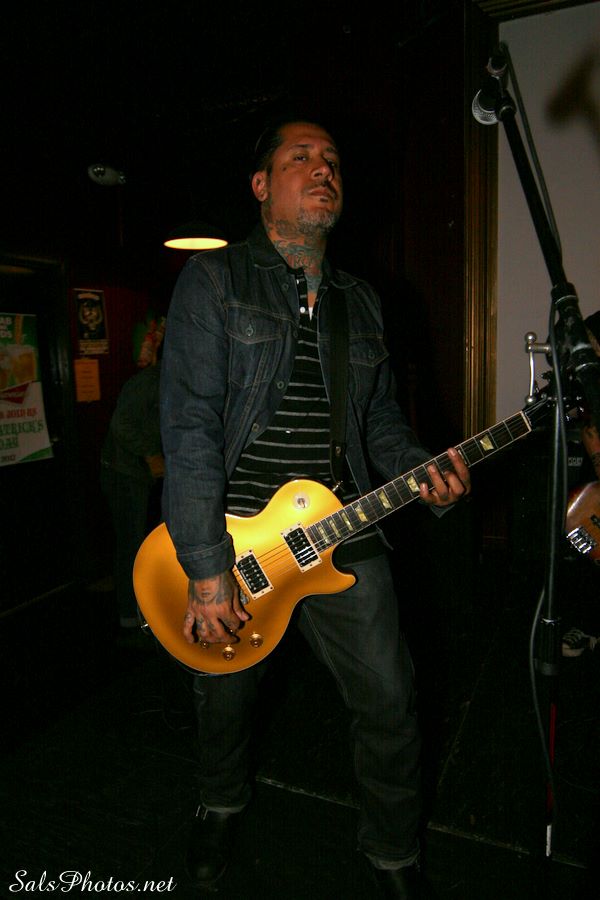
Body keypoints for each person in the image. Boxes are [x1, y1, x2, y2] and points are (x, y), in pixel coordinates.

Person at [160, 119, 471, 899]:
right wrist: (205, 567)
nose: (322, 168)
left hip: (343, 528)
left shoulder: (360, 301)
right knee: (224, 696)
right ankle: (219, 801)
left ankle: (392, 850)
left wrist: (419, 467)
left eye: (331, 159)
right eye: (300, 157)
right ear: (261, 185)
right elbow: (189, 424)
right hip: (238, 539)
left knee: (391, 698)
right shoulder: (216, 281)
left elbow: (380, 421)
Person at [101, 359, 164, 632]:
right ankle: (129, 616)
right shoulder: (149, 381)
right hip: (124, 473)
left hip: (142, 475)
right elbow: (121, 424)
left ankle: (143, 611)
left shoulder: (171, 379)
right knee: (131, 543)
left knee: (144, 543)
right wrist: (151, 453)